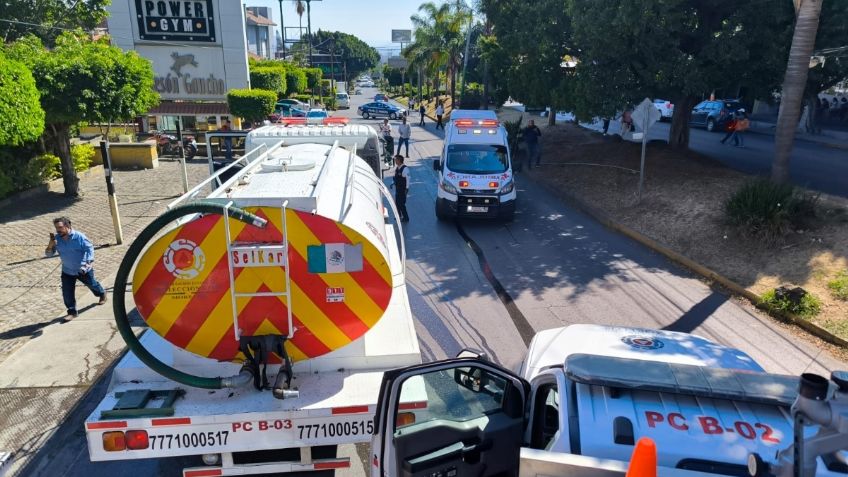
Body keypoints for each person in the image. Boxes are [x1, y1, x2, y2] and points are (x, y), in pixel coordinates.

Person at [44, 216, 107, 319]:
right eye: (56, 228)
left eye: (60, 227)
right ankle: (72, 312)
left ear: (67, 226)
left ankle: (102, 293)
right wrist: (50, 245)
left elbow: (89, 248)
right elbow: (49, 254)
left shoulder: (79, 237)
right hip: (67, 270)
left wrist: (89, 261)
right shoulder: (56, 239)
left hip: (82, 269)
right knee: (67, 292)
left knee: (92, 284)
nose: (58, 230)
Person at [392, 155, 410, 222]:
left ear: (399, 160)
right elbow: (396, 178)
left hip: (402, 189)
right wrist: (393, 183)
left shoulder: (405, 169)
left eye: (396, 160)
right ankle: (398, 216)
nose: (395, 161)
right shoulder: (397, 168)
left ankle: (406, 218)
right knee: (397, 203)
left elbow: (408, 179)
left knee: (401, 204)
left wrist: (407, 188)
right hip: (398, 189)